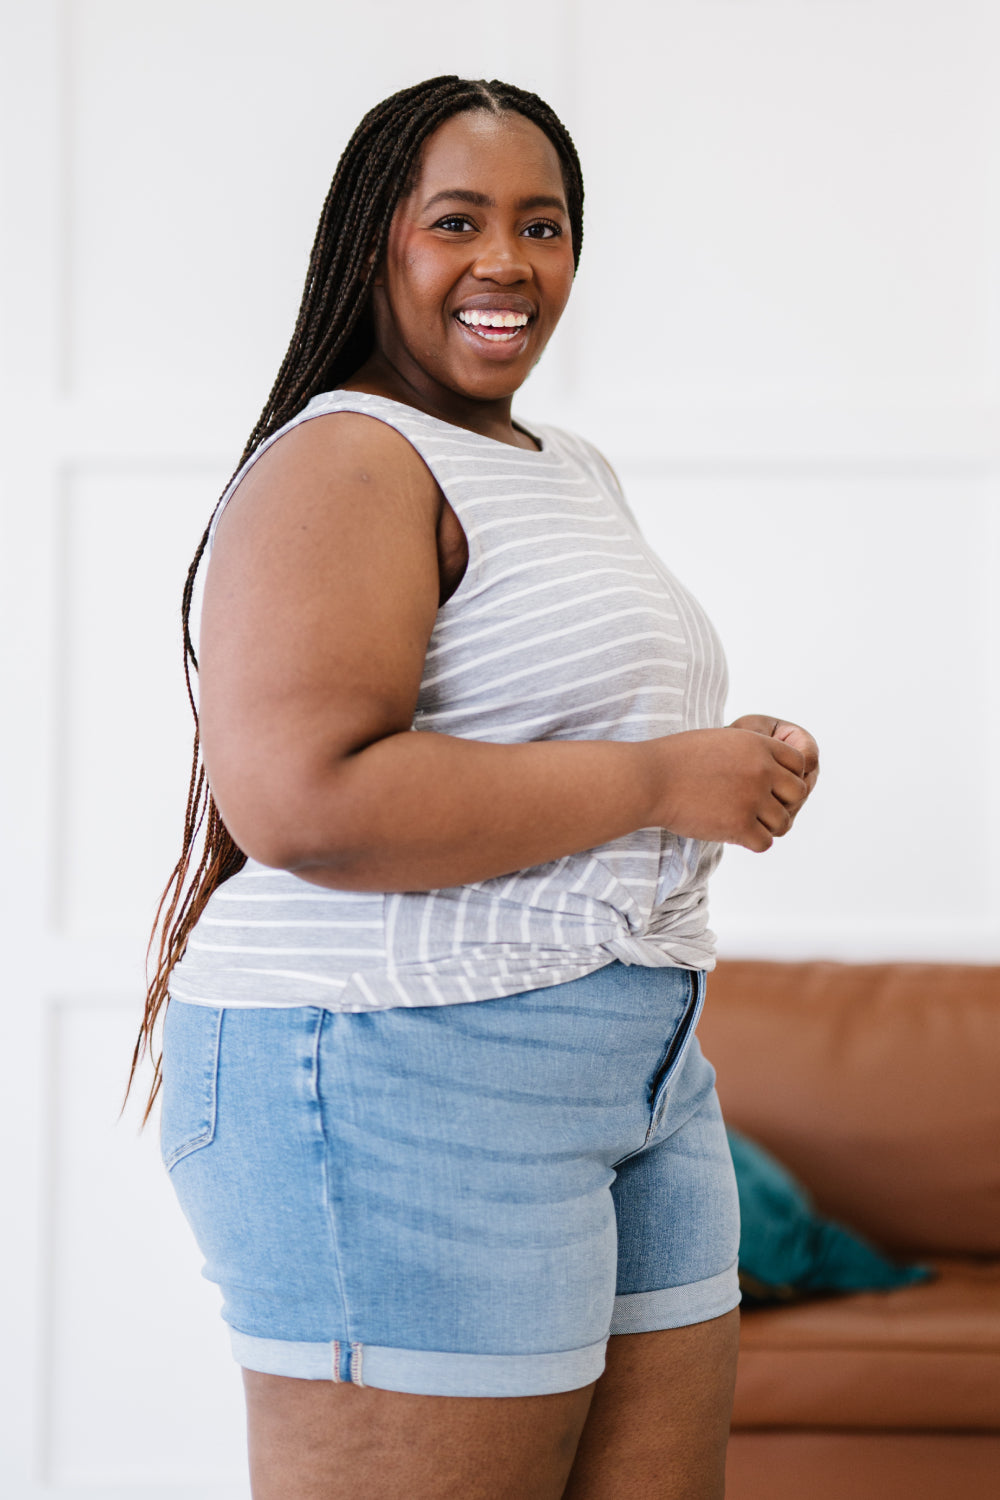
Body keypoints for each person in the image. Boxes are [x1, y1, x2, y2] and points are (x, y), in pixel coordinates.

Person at [133, 75, 819, 1500]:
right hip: (389, 1069)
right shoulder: (344, 457)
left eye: (544, 224)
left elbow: (552, 732)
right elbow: (304, 798)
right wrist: (655, 778)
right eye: (459, 222)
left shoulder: (564, 466)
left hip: (635, 1071)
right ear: (373, 244)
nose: (509, 262)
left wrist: (723, 763)